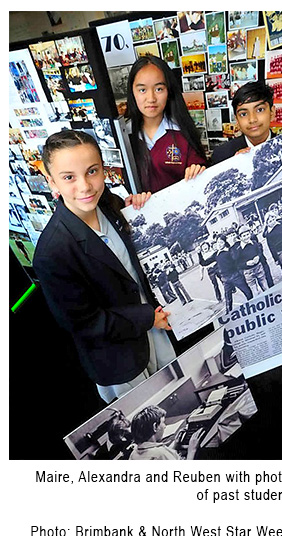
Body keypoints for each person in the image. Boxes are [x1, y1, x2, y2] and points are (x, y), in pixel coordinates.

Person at [33, 130, 176, 404]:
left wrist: (139, 207)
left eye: (92, 171)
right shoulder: (52, 252)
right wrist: (147, 318)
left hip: (155, 331)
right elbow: (86, 324)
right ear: (51, 182)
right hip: (119, 356)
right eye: (69, 177)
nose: (85, 186)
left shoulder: (109, 203)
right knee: (149, 419)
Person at [125, 55, 208, 195]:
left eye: (159, 89)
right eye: (142, 90)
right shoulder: (124, 137)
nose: (151, 99)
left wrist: (198, 171)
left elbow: (202, 177)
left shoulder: (182, 134)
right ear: (132, 92)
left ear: (168, 91)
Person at [211, 81, 276, 165]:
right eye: (244, 114)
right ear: (237, 120)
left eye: (260, 110)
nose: (252, 119)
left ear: (272, 112)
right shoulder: (222, 155)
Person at [129, 405, 203, 460]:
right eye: (163, 422)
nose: (165, 426)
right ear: (155, 427)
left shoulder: (133, 454)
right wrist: (192, 450)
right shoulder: (160, 454)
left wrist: (175, 444)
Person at [236, 224, 268, 296]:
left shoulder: (254, 243)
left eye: (247, 234)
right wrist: (246, 263)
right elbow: (238, 264)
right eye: (244, 236)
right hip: (248, 272)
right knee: (255, 292)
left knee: (265, 286)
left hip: (258, 267)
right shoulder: (239, 250)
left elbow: (260, 251)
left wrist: (258, 257)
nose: (246, 237)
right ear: (240, 237)